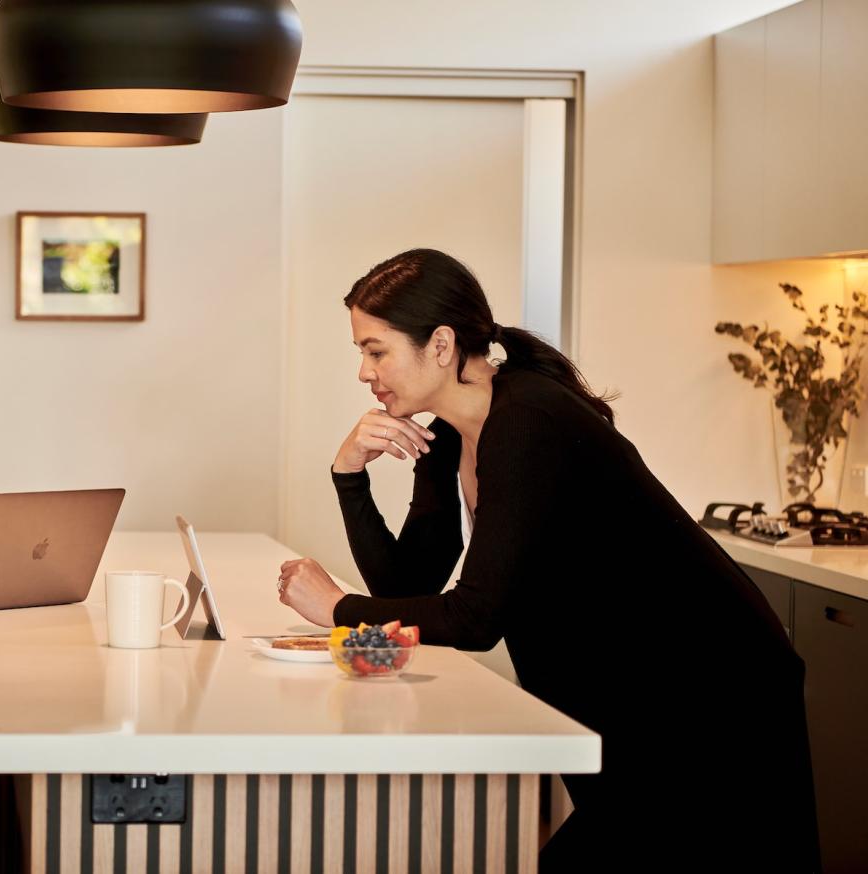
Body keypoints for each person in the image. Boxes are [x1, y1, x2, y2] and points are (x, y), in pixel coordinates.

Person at [276, 249, 819, 872]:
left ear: (442, 345)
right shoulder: (452, 432)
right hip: (639, 703)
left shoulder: (527, 422)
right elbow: (409, 583)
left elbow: (475, 619)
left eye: (376, 350)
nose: (364, 372)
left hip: (711, 704)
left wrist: (337, 610)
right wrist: (349, 475)